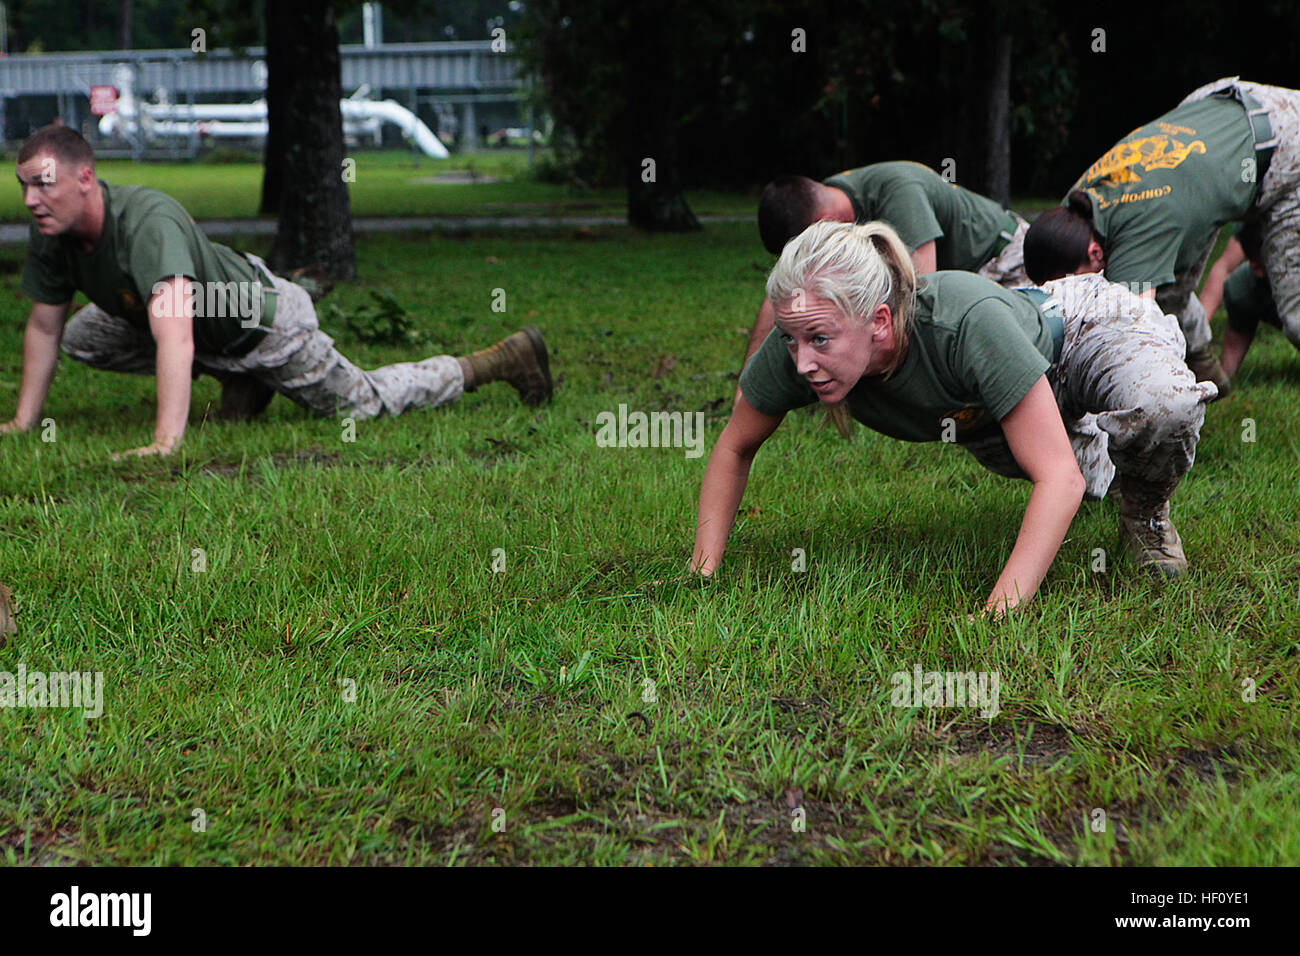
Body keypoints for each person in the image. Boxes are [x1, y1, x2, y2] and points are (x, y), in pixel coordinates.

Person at [691, 221, 1217, 612]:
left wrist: (998, 616)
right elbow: (734, 446)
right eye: (790, 338)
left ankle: (1145, 518)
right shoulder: (804, 341)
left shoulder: (962, 324)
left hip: (1083, 329)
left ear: (878, 321)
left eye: (819, 340)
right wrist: (703, 575)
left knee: (1163, 409)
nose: (802, 361)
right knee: (1090, 479)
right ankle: (1104, 450)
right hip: (999, 403)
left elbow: (1056, 478)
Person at [1, 126, 552, 459]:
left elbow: (175, 339)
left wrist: (166, 442)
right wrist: (25, 423)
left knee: (364, 404)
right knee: (82, 335)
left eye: (43, 183)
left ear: (86, 179)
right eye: (24, 185)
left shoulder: (147, 223)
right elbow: (44, 326)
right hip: (207, 320)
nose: (30, 199)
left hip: (264, 321)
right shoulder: (52, 229)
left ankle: (499, 360)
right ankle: (241, 380)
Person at [1023, 77, 1300, 398]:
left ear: (1096, 252)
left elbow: (1132, 343)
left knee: (1295, 318)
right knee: (1168, 293)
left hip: (1286, 145)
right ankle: (1209, 376)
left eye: (1077, 285)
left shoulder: (1140, 230)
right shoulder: (1074, 207)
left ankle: (1198, 378)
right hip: (1216, 111)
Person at [745, 161, 1030, 363]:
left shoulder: (898, 194)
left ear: (823, 224)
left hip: (1007, 257)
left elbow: (921, 297)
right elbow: (784, 295)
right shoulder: (831, 199)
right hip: (962, 275)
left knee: (1011, 345)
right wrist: (749, 390)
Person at [1197, 222, 1283, 380]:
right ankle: (1225, 375)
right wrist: (1193, 337)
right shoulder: (1262, 209)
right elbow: (1225, 267)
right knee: (1239, 285)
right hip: (1281, 281)